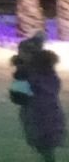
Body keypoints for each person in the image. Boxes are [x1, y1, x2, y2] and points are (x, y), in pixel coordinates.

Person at [12, 32, 65, 162]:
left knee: (44, 145)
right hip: (52, 112)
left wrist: (19, 78)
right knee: (46, 146)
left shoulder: (26, 73)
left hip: (37, 114)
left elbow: (19, 97)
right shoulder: (48, 71)